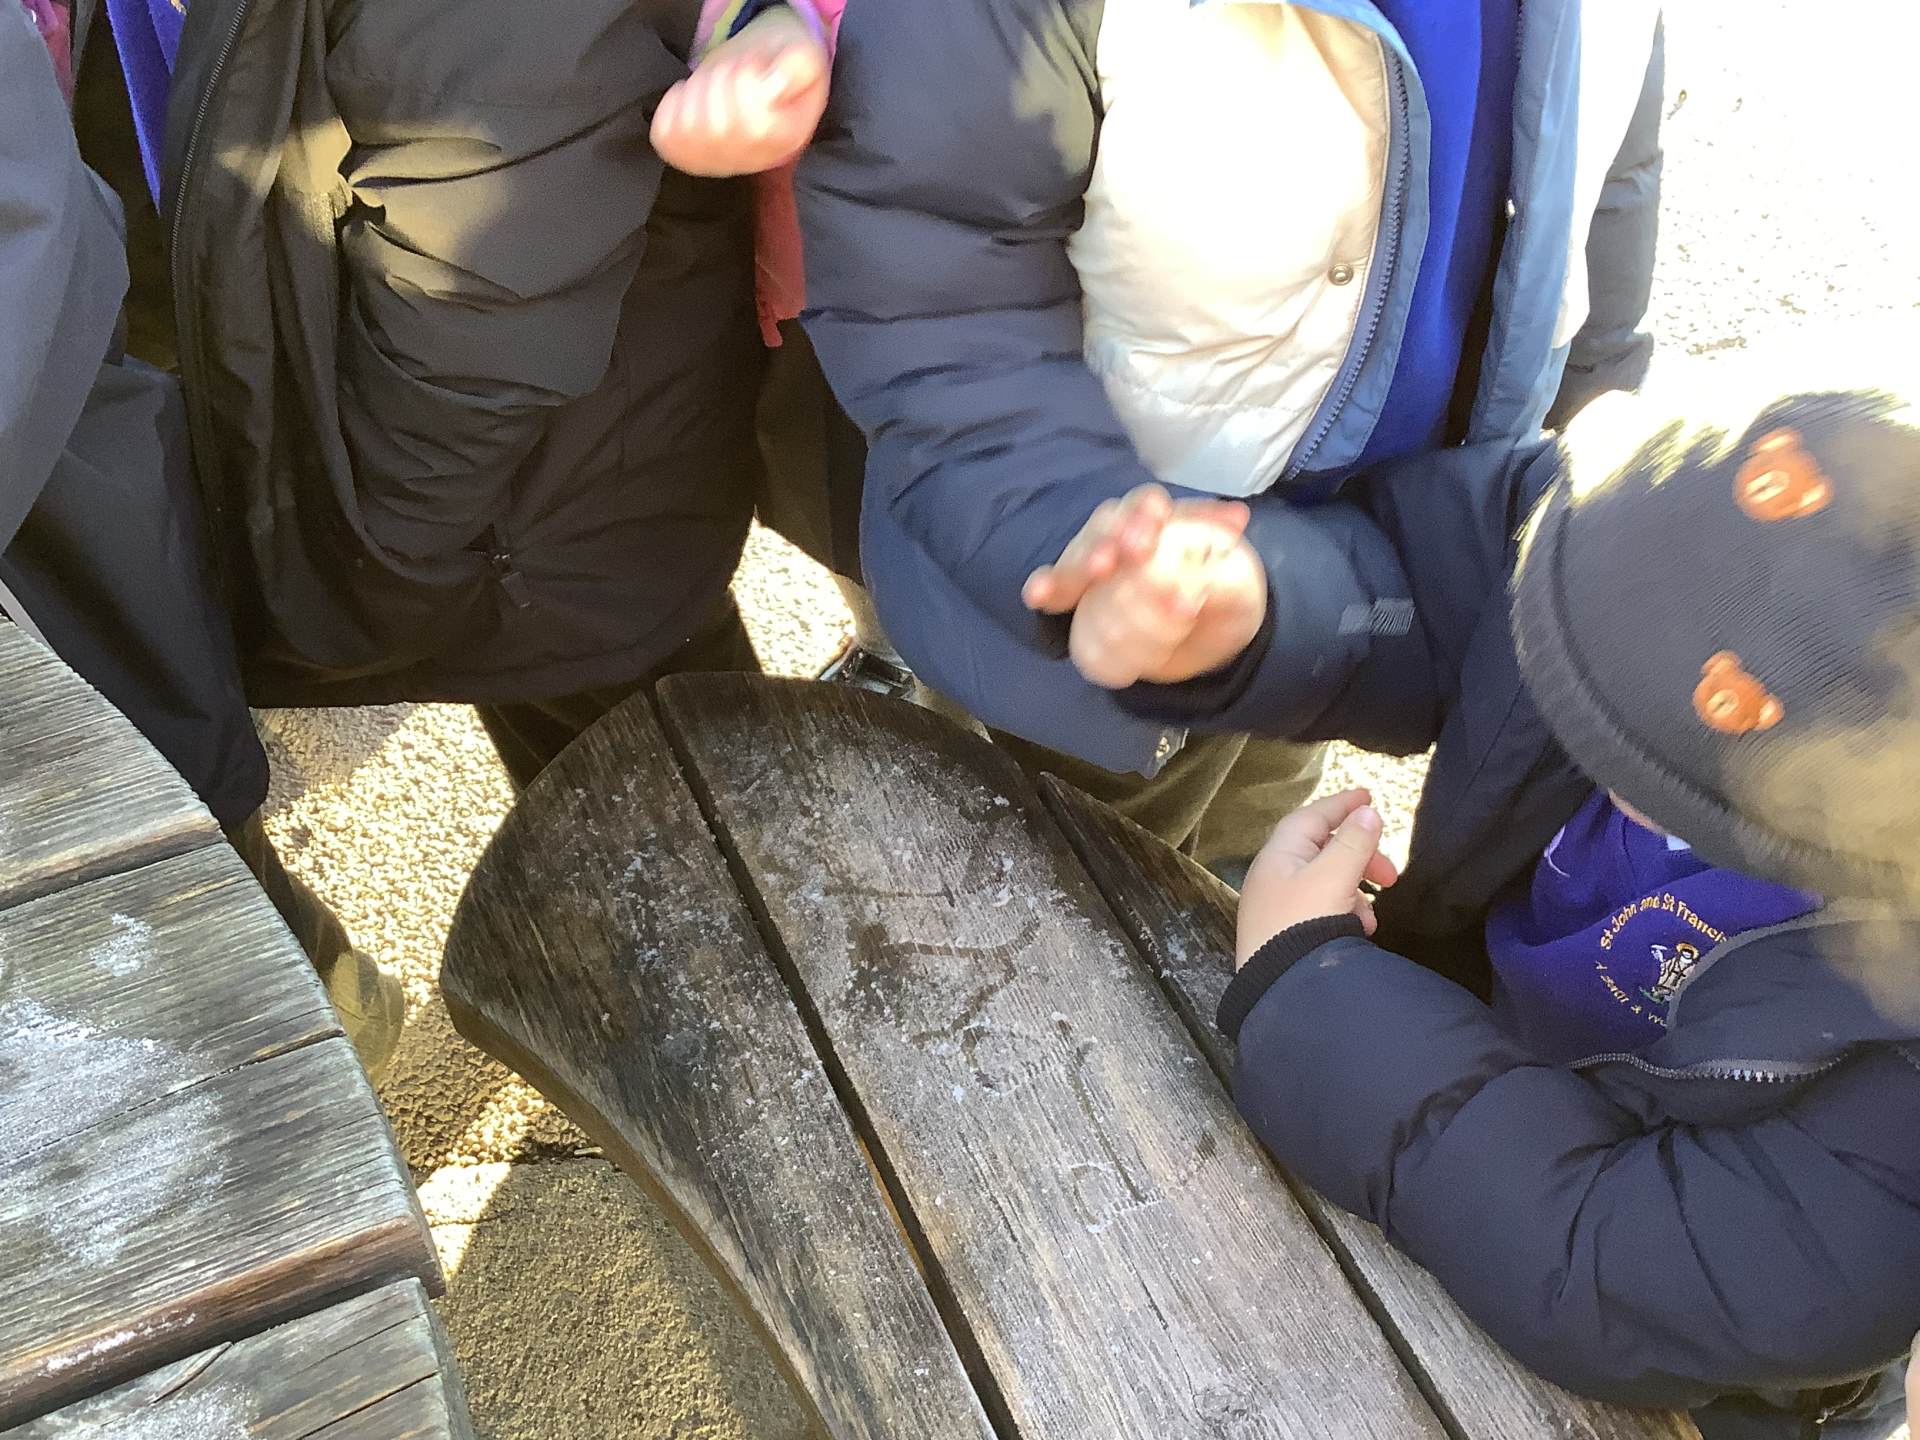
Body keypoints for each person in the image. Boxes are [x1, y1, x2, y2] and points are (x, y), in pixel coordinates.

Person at [1049, 358, 1920, 1433]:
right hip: (1454, 1085)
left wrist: (1313, 989)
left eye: (1657, 775)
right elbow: (1442, 572)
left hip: (1709, 1393)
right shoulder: (1632, 530)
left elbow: (1622, 1272)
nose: (1585, 731)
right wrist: (1259, 613)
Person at [790, 0, 1667, 881]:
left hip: (1370, 577)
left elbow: (1609, 181)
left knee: (1251, 823)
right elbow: (930, 266)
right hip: (1089, 583)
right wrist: (1078, 537)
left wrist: (1595, 448)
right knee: (1048, 863)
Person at [124, 0, 782, 789]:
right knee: (582, 714)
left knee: (662, 784)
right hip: (496, 467)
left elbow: (481, 288)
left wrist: (371, 570)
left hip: (546, 493)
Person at [2, 1, 401, 1076]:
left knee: (197, 862)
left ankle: (331, 1041)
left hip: (73, 543)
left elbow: (31, 228)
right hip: (70, 525)